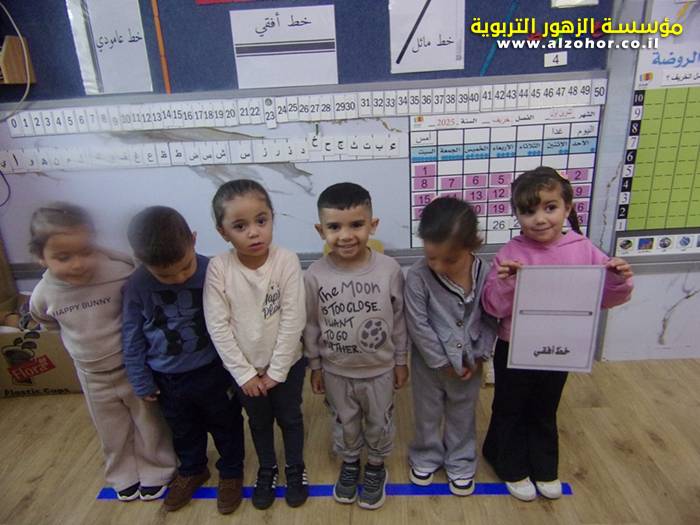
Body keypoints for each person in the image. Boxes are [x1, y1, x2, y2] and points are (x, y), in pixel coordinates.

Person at [481, 166, 634, 501]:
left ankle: (544, 465)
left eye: (549, 207)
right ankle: (507, 461)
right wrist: (508, 283)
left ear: (567, 207)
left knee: (545, 406)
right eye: (528, 211)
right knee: (509, 406)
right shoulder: (510, 253)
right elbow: (492, 306)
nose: (539, 219)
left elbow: (605, 299)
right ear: (517, 214)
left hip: (560, 347)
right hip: (514, 346)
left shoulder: (584, 249)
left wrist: (617, 279)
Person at [28, 203, 176, 502]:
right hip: (91, 373)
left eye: (86, 251)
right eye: (63, 257)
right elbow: (47, 322)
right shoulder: (43, 294)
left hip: (132, 367)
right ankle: (122, 472)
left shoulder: (119, 270)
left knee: (148, 420)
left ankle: (158, 467)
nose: (78, 264)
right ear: (40, 257)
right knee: (111, 427)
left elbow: (140, 295)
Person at [122, 206, 245, 514]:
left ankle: (231, 471)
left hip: (214, 371)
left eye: (185, 267)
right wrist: (140, 378)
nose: (177, 279)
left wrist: (241, 366)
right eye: (164, 275)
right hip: (167, 379)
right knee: (182, 429)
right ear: (141, 260)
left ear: (193, 240)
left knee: (226, 423)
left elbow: (237, 320)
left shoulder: (214, 270)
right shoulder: (137, 285)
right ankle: (192, 469)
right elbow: (132, 335)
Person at [203, 179, 308, 510]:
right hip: (245, 372)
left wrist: (277, 371)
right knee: (259, 422)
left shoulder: (286, 260)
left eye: (261, 221)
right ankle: (267, 469)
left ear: (272, 218)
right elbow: (217, 326)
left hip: (287, 365)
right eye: (240, 226)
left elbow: (293, 319)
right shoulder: (219, 268)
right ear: (223, 233)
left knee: (290, 418)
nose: (253, 232)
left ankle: (295, 468)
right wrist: (245, 374)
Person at [304, 182, 409, 510]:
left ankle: (376, 466)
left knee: (379, 420)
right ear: (321, 230)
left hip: (380, 370)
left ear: (372, 225)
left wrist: (401, 360)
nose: (346, 235)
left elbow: (399, 321)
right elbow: (311, 325)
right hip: (336, 371)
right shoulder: (314, 274)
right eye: (334, 227)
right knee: (344, 421)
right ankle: (350, 462)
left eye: (356, 225)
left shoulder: (389, 269)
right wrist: (315, 366)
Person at [404, 197, 498, 496]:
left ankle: (460, 460)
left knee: (462, 413)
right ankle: (426, 455)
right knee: (427, 412)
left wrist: (480, 354)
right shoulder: (417, 276)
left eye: (450, 260)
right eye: (432, 257)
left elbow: (491, 317)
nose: (439, 266)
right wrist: (442, 362)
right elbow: (418, 324)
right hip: (429, 364)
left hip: (471, 362)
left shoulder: (486, 273)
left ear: (472, 246)